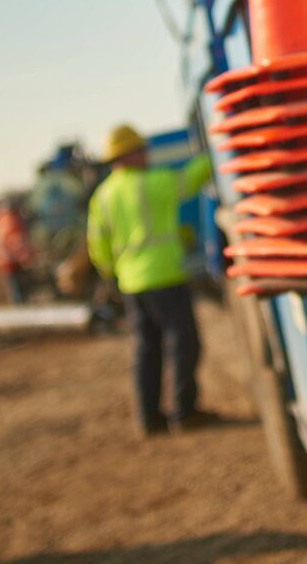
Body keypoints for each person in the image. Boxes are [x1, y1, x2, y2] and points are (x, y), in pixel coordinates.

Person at [86, 123, 215, 435]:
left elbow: (98, 245)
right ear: (128, 155)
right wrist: (216, 145)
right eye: (141, 150)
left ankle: (149, 419)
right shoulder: (152, 183)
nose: (146, 155)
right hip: (165, 278)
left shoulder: (101, 196)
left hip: (131, 283)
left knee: (146, 350)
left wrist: (112, 275)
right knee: (183, 344)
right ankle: (185, 413)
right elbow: (192, 178)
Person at [0, 198, 34, 305]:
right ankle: (22, 312)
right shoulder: (11, 221)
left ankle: (17, 308)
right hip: (14, 262)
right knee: (21, 292)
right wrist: (26, 257)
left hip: (3, 262)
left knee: (14, 291)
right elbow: (16, 242)